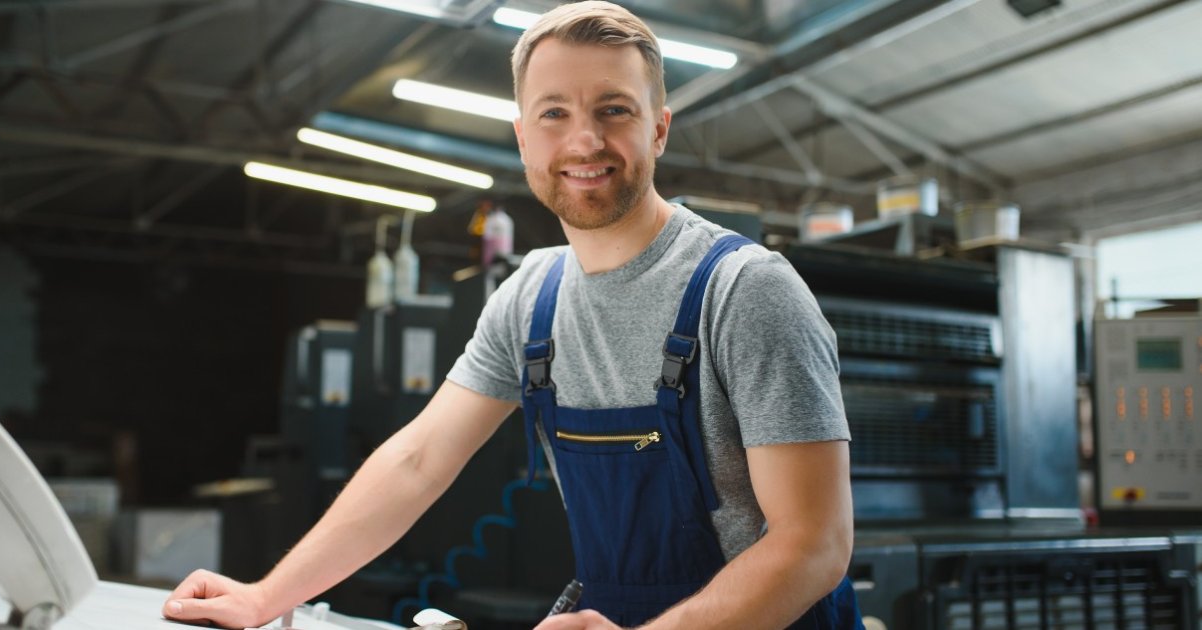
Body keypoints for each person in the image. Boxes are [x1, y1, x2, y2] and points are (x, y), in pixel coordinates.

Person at [162, 2, 861, 628]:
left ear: (659, 130)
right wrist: (266, 597)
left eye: (614, 109)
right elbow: (417, 460)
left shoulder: (745, 291)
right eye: (555, 113)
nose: (584, 141)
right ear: (524, 137)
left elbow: (814, 545)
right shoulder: (532, 297)